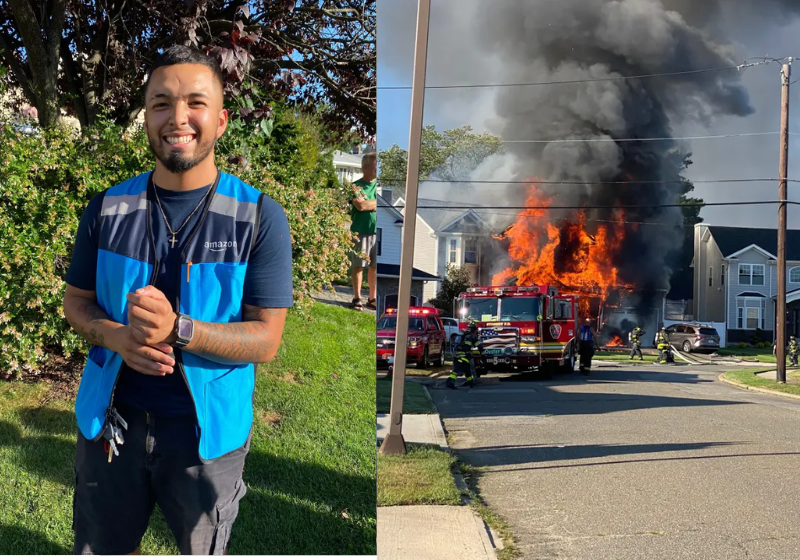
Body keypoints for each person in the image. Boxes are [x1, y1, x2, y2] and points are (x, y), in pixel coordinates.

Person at [62, 46, 293, 555]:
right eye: (162, 103)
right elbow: (75, 302)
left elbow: (266, 339)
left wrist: (179, 330)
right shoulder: (107, 208)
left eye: (195, 102)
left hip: (205, 442)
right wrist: (116, 337)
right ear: (147, 115)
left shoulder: (258, 217)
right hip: (110, 427)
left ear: (222, 119)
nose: (178, 118)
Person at [349, 153, 377, 310]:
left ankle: (372, 299)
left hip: (377, 232)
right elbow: (361, 206)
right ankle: (357, 298)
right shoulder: (355, 186)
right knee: (359, 266)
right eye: (375, 165)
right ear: (366, 167)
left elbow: (371, 204)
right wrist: (375, 204)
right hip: (361, 232)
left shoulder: (378, 184)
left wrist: (371, 203)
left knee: (375, 267)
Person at [447, 322, 480, 389]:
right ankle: (451, 382)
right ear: (474, 329)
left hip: (457, 355)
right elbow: (480, 346)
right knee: (464, 369)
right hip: (465, 356)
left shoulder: (463, 334)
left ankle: (470, 383)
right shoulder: (472, 336)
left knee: (464, 370)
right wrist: (483, 355)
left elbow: (456, 344)